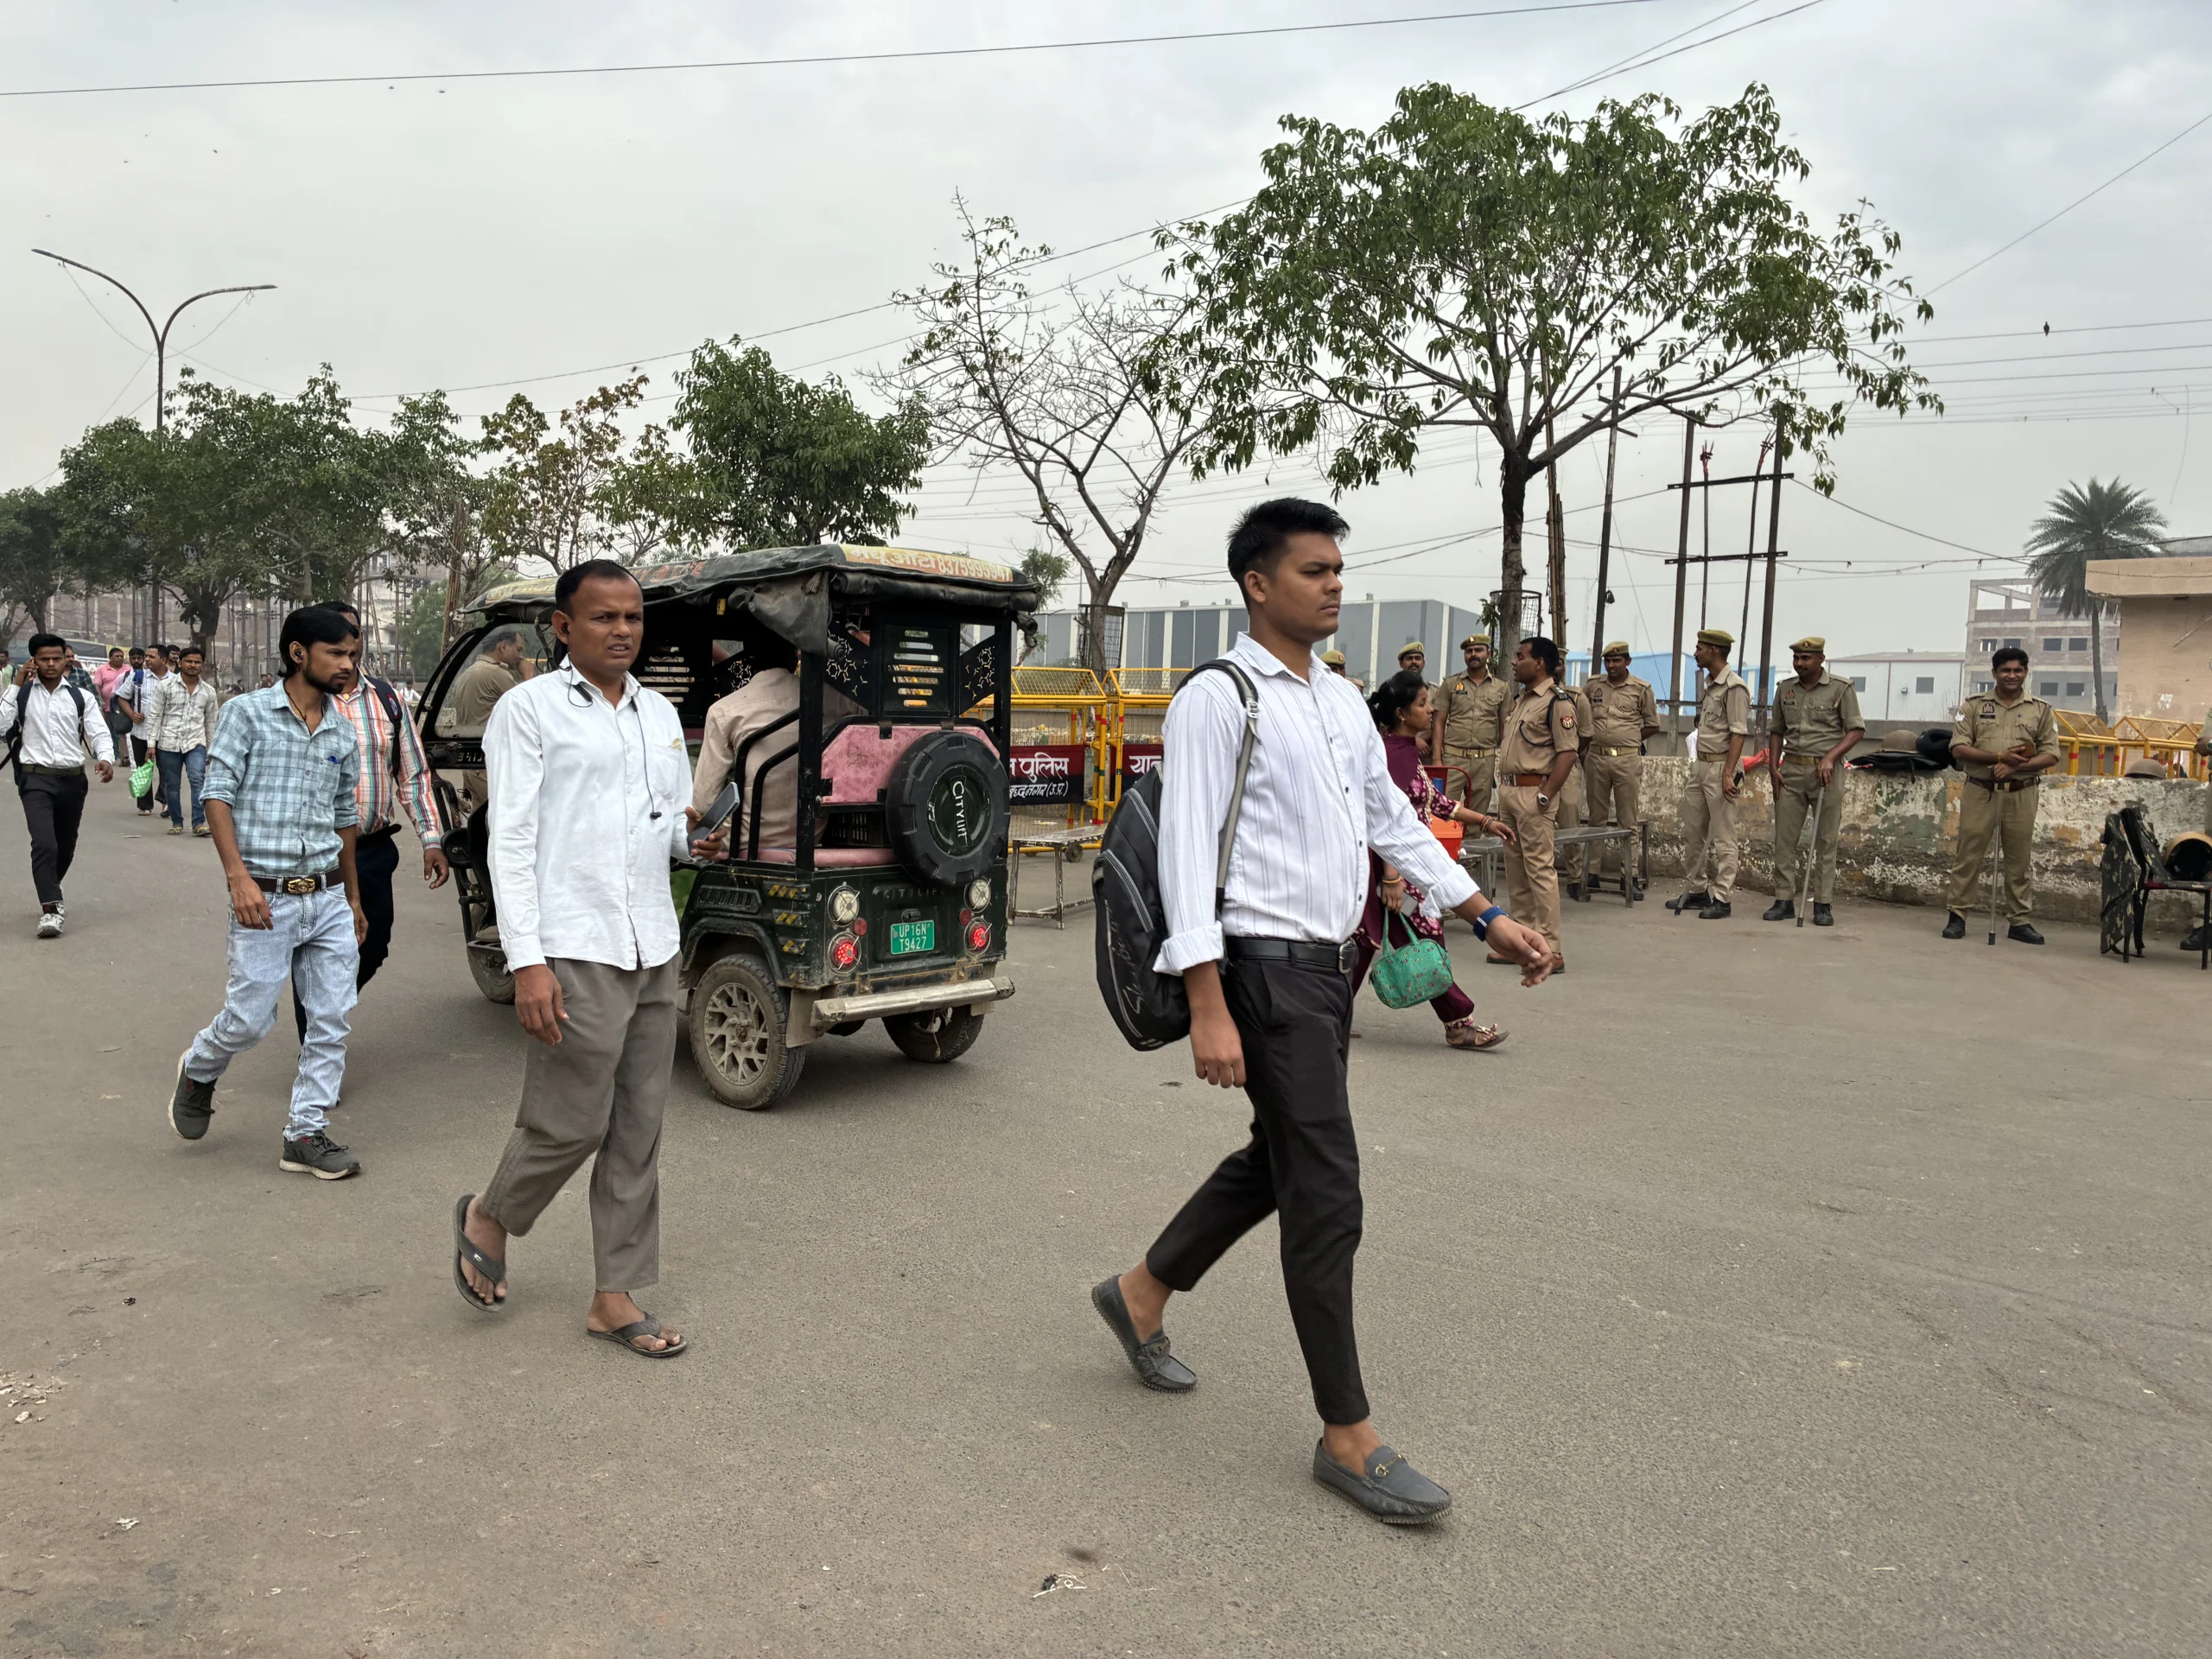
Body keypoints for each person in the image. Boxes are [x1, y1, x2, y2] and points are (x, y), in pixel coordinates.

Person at [1090, 500, 1552, 1527]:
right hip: (1259, 968)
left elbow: (1393, 822)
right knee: (1327, 1189)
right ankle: (1347, 1436)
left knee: (1283, 1155)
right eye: (1312, 570)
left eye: (1339, 568)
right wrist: (1206, 1001)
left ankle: (1139, 1293)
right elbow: (1185, 853)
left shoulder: (1340, 701)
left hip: (1327, 967)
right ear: (1258, 584)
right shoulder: (1221, 698)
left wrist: (1487, 916)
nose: (1333, 584)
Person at [450, 561, 727, 1356]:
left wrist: (691, 837)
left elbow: (664, 823)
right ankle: (491, 1215)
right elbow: (513, 840)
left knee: (639, 1127)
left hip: (650, 941)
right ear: (563, 628)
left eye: (633, 617)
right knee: (571, 1121)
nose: (623, 631)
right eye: (603, 618)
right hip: (573, 942)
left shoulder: (661, 716)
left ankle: (615, 1295)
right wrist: (526, 959)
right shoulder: (530, 711)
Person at [165, 607, 369, 1179]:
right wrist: (238, 878)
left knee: (331, 1019)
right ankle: (201, 1067)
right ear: (300, 653)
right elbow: (217, 792)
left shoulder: (341, 730)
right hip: (266, 896)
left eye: (354, 654)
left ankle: (305, 1133)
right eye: (338, 654)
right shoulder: (246, 715)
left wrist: (352, 899)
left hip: (326, 897)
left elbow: (343, 817)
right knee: (251, 1019)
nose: (349, 665)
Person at [290, 601, 450, 1052]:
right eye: (336, 639)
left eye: (354, 635)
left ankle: (327, 1009)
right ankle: (317, 1053)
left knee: (373, 943)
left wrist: (432, 840)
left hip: (373, 850)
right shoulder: (293, 703)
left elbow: (413, 776)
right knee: (317, 950)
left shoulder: (387, 700)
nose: (348, 647)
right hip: (312, 851)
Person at [1359, 670, 1516, 1050]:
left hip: (1396, 866)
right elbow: (1385, 821)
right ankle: (1458, 1023)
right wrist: (1393, 879)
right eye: (1423, 704)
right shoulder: (1394, 756)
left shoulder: (1404, 750)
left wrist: (1485, 820)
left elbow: (1436, 802)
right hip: (1396, 869)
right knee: (1426, 939)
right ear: (1401, 713)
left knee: (1365, 941)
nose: (1432, 710)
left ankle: (1325, 1015)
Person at [691, 626, 862, 850]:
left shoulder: (724, 711)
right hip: (811, 839)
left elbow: (704, 804)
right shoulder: (838, 702)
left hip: (745, 845)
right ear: (795, 654)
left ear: (747, 658)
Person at [3, 632, 117, 938]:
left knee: (65, 846)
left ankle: (50, 885)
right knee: (44, 844)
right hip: (35, 778)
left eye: (57, 658)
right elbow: (1, 726)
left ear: (67, 658)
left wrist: (106, 758)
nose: (51, 664)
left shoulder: (81, 696)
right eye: (44, 659)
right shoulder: (23, 694)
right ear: (33, 661)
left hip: (72, 780)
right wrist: (15, 685)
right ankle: (51, 909)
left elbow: (98, 732)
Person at [1942, 646, 2058, 943]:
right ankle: (1958, 915)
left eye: (2018, 670)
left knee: (2019, 860)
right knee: (1968, 855)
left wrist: (2015, 766)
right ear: (1994, 673)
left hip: (2022, 792)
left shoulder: (2041, 709)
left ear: (2026, 673)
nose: (2012, 675)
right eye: (2005, 670)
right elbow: (1958, 748)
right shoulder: (1973, 706)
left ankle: (2019, 921)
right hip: (1981, 790)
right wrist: (1997, 758)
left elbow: (2051, 754)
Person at [1490, 635, 1577, 974]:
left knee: (1540, 870)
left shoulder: (1558, 702)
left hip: (1533, 794)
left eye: (1521, 656)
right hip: (1510, 793)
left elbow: (1567, 753)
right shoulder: (1523, 700)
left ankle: (1551, 949)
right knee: (1515, 870)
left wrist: (1546, 794)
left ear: (1539, 663)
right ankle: (1522, 944)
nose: (1515, 662)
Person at [1764, 637, 1864, 926]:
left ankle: (1822, 903)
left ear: (1821, 659)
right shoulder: (1785, 690)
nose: (1800, 663)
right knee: (1784, 840)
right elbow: (1776, 730)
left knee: (1826, 841)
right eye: (1796, 658)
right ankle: (1783, 899)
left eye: (1806, 658)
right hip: (1791, 771)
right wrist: (1773, 767)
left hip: (1826, 774)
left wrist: (1831, 757)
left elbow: (1856, 730)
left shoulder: (1841, 689)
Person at [1669, 628, 1751, 919]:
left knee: (1723, 835)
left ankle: (1722, 897)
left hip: (1720, 767)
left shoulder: (1734, 687)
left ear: (1714, 651)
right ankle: (1699, 891)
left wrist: (1728, 773)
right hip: (1701, 765)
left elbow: (1739, 733)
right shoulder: (1711, 684)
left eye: (1700, 647)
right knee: (1694, 832)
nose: (1696, 652)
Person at [1581, 642, 1659, 892]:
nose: (1612, 666)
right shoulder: (1593, 686)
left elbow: (1653, 724)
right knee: (1597, 819)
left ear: (1628, 661)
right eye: (1608, 661)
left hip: (1627, 759)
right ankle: (1592, 872)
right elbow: (1582, 716)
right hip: (1596, 758)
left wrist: (1631, 738)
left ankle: (1630, 876)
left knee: (1628, 820)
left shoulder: (1641, 689)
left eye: (1617, 661)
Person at [448, 626, 537, 810]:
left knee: (485, 827)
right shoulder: (495, 674)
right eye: (518, 649)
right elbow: (532, 709)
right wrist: (528, 675)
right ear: (503, 646)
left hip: (472, 765)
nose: (520, 656)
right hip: (490, 765)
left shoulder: (467, 674)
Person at [144, 644, 222, 836]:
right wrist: (151, 744)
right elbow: (155, 716)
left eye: (197, 662)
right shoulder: (166, 687)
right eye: (189, 661)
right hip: (169, 743)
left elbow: (211, 722)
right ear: (180, 662)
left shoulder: (208, 692)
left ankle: (198, 823)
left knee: (198, 780)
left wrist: (212, 749)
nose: (193, 665)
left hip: (196, 743)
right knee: (172, 785)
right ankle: (177, 821)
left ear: (202, 665)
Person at [1431, 633, 1511, 814]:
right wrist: (1437, 760)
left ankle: (1472, 843)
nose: (1474, 654)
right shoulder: (1451, 684)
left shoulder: (1501, 688)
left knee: (1477, 817)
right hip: (1453, 758)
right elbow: (1439, 722)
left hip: (1485, 760)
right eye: (1469, 651)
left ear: (1488, 654)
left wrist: (1505, 764)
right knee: (1443, 812)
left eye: (1479, 650)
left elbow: (1505, 728)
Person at [110, 645, 159, 815]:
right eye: (147, 656)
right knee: (143, 767)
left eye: (152, 656)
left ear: (164, 659)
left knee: (168, 770)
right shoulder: (137, 676)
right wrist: (132, 714)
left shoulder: (173, 679)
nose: (146, 660)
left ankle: (166, 801)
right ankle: (144, 805)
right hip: (141, 731)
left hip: (165, 733)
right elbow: (121, 697)